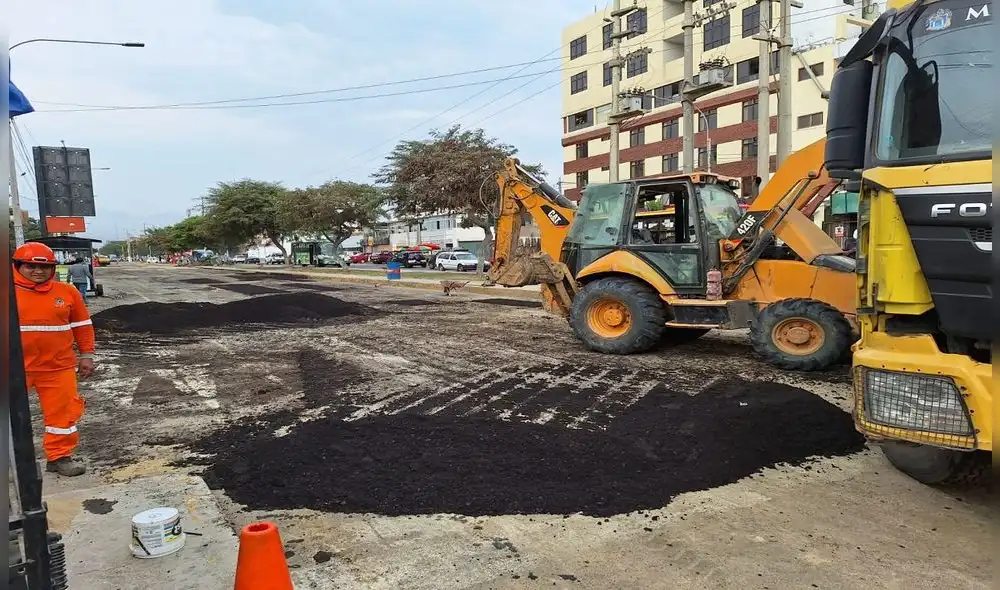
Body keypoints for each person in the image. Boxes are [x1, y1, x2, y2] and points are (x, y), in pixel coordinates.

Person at [12, 242, 96, 477]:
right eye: (30, 266)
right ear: (18, 266)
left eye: (45, 267)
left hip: (57, 367)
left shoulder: (66, 293)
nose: (38, 271)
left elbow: (82, 326)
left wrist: (87, 355)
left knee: (63, 414)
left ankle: (59, 457)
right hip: (14, 367)